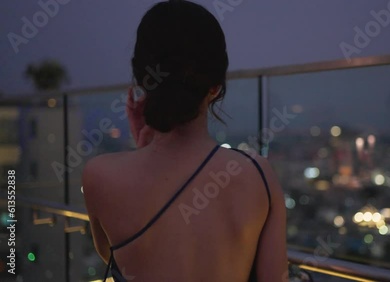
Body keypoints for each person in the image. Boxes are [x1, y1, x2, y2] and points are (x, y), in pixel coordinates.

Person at [82, 1, 288, 281]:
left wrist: (144, 147)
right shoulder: (258, 176)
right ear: (215, 86)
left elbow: (117, 257)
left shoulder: (98, 175)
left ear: (142, 78)